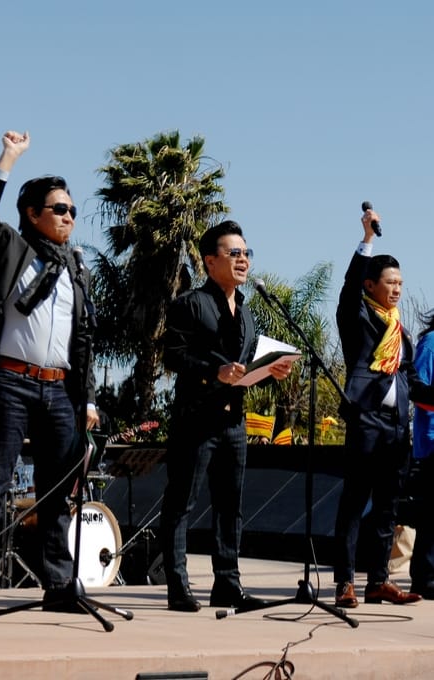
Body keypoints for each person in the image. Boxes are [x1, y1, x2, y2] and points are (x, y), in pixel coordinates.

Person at [0, 130, 100, 617]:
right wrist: (7, 158)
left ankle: (59, 585)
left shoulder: (76, 268)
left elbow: (84, 340)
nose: (69, 217)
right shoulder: (13, 249)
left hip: (60, 390)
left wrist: (88, 399)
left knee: (55, 493)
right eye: (59, 209)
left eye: (72, 210)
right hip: (11, 383)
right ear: (33, 214)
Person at [159, 220, 293, 612]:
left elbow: (245, 365)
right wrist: (212, 371)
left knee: (230, 505)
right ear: (210, 261)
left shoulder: (247, 312)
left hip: (234, 421)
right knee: (181, 502)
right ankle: (177, 586)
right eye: (234, 253)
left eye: (247, 253)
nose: (243, 260)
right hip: (196, 419)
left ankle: (228, 586)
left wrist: (270, 370)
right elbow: (173, 356)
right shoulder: (189, 304)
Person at [333, 208, 434, 608]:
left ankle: (379, 581)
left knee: (388, 509)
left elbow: (411, 380)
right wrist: (367, 240)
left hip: (395, 428)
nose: (396, 290)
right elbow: (348, 288)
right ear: (371, 285)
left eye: (401, 284)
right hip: (366, 422)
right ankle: (345, 582)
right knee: (354, 505)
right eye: (390, 283)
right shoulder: (357, 318)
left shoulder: (400, 332)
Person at [409, 311, 434, 599]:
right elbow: (417, 391)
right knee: (431, 516)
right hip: (432, 442)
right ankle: (425, 578)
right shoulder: (431, 343)